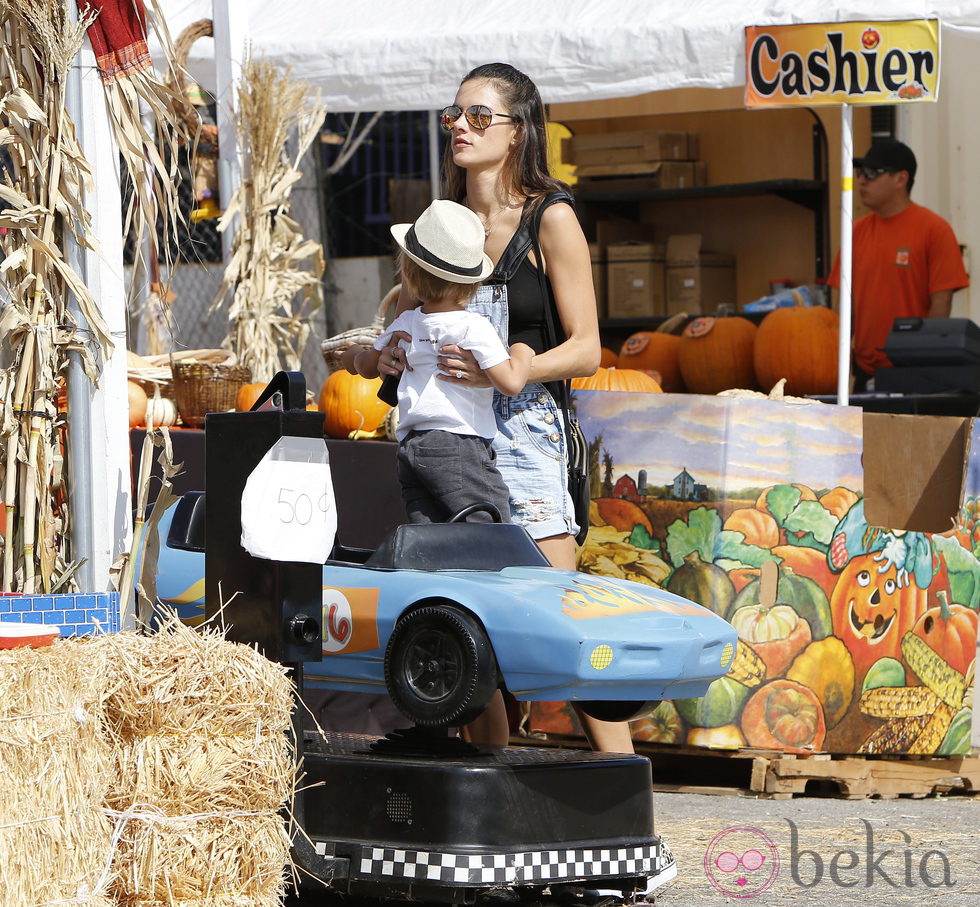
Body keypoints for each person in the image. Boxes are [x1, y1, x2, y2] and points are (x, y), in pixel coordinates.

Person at [372, 63, 634, 755]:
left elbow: (586, 348)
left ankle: (627, 792)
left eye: (479, 116)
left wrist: (517, 369)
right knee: (465, 624)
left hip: (524, 431)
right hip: (449, 438)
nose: (459, 126)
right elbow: (409, 311)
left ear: (519, 132)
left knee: (553, 616)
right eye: (454, 115)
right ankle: (491, 802)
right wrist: (395, 355)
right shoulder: (443, 224)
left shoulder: (551, 217)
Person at [352, 199, 534, 524]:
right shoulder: (473, 326)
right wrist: (522, 352)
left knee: (432, 543)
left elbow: (367, 366)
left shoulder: (406, 322)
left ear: (406, 274)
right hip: (458, 444)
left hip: (411, 446)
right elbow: (510, 382)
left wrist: (354, 356)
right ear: (473, 283)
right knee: (490, 532)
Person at [828, 139, 969, 391]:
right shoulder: (855, 232)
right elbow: (844, 303)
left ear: (901, 179)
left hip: (912, 371)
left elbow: (941, 302)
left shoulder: (934, 230)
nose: (862, 180)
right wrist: (838, 361)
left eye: (872, 173)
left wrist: (923, 360)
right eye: (860, 172)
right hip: (864, 370)